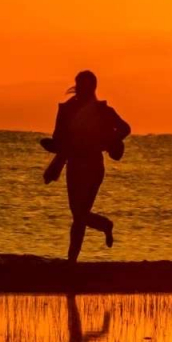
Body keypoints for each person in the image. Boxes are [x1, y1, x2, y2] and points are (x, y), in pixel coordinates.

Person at [40, 69, 130, 261]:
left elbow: (125, 128)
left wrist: (108, 142)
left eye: (88, 86)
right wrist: (52, 146)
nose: (84, 89)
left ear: (94, 87)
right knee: (78, 214)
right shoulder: (66, 110)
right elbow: (58, 138)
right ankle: (101, 228)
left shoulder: (102, 110)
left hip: (94, 166)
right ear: (77, 85)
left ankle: (72, 259)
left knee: (80, 215)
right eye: (82, 85)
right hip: (73, 164)